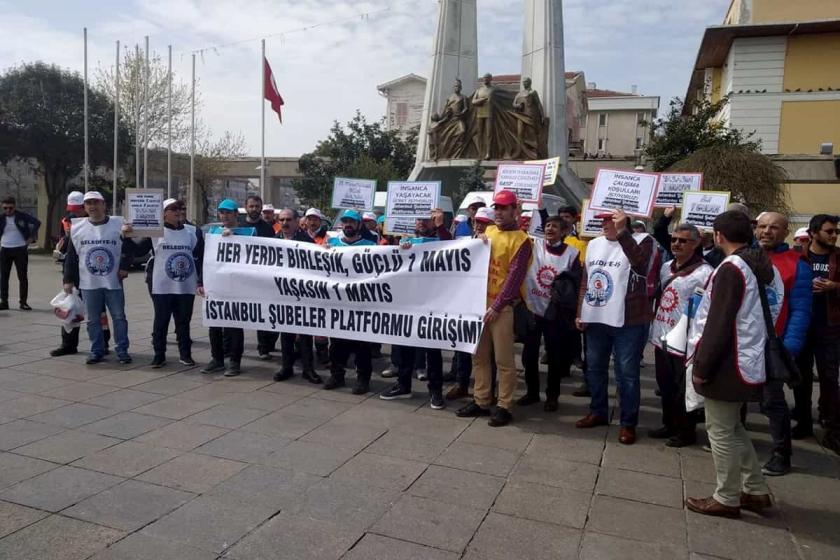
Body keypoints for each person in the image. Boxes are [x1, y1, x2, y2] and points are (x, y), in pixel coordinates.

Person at [685, 210, 778, 518]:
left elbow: (719, 322)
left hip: (729, 360)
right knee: (732, 426)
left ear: (719, 236)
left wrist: (702, 367)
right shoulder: (750, 263)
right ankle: (755, 489)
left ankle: (726, 496)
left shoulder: (731, 268)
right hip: (743, 357)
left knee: (720, 430)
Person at [575, 209, 654, 445]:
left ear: (624, 221)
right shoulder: (594, 244)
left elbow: (640, 263)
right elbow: (586, 280)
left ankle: (628, 423)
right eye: (603, 221)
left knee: (626, 373)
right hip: (597, 317)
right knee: (595, 368)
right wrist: (580, 311)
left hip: (628, 320)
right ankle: (598, 411)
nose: (605, 225)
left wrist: (622, 234)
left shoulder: (642, 241)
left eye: (610, 220)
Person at [456, 190, 532, 427]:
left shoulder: (522, 241)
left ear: (514, 211)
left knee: (504, 360)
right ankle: (481, 399)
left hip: (503, 308)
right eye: (496, 208)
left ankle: (504, 405)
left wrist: (497, 306)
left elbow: (514, 277)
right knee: (479, 356)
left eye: (504, 208)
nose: (498, 212)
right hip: (479, 304)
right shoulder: (488, 231)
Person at [755, 211, 812, 475]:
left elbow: (801, 310)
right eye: (762, 226)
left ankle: (781, 454)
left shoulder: (797, 264)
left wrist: (789, 347)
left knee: (772, 401)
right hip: (743, 341)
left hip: (774, 344)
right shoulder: (744, 257)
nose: (767, 231)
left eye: (774, 227)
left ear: (785, 232)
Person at [648, 223, 713, 447]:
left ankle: (686, 431)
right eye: (674, 239)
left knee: (681, 390)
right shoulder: (666, 267)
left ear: (695, 244)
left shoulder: (704, 273)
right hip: (662, 336)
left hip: (684, 341)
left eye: (683, 240)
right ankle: (669, 424)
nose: (676, 243)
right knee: (665, 386)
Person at [380, 211, 449, 409]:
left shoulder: (440, 240)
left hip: (432, 303)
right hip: (408, 302)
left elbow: (451, 247)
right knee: (404, 346)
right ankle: (403, 385)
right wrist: (400, 250)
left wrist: (441, 227)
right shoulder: (407, 241)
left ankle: (435, 391)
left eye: (425, 219)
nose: (421, 222)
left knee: (432, 350)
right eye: (418, 219)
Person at [126, 199, 203, 368]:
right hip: (162, 285)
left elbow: (201, 257)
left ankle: (185, 354)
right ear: (163, 213)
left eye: (180, 208)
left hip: (185, 285)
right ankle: (159, 355)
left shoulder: (192, 232)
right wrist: (126, 236)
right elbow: (137, 250)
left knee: (183, 321)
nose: (178, 212)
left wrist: (201, 280)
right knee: (161, 320)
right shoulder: (155, 232)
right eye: (172, 209)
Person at [519, 214, 581, 411]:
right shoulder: (534, 245)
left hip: (555, 313)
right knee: (529, 355)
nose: (549, 229)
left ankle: (552, 396)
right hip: (532, 309)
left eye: (555, 226)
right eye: (547, 225)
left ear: (564, 232)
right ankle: (532, 392)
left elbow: (575, 282)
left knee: (554, 357)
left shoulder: (572, 253)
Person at [62, 191, 131, 365]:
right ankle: (96, 350)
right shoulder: (77, 227)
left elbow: (129, 249)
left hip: (113, 281)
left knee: (119, 317)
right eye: (89, 203)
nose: (92, 206)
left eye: (96, 202)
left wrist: (124, 267)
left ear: (103, 204)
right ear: (84, 207)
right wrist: (68, 280)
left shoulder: (119, 224)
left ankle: (122, 350)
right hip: (89, 282)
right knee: (93, 319)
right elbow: (71, 256)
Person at [794, 214, 840, 455]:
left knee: (830, 379)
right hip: (802, 326)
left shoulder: (838, 257)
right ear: (813, 233)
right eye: (829, 231)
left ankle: (832, 428)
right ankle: (802, 422)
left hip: (830, 327)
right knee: (800, 378)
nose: (833, 236)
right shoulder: (798, 256)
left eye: (835, 232)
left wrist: (835, 287)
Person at [445, 206, 495, 401]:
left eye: (484, 223)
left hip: (487, 304)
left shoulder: (493, 243)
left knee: (487, 353)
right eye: (477, 222)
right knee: (463, 347)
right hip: (465, 303)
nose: (479, 226)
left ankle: (488, 391)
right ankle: (462, 384)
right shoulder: (465, 242)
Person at [324, 210, 376, 394]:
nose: (348, 225)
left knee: (362, 345)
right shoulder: (331, 244)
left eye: (351, 222)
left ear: (359, 225)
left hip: (360, 303)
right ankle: (337, 375)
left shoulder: (370, 245)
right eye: (345, 221)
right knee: (337, 343)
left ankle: (363, 379)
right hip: (338, 302)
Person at [201, 199, 255, 377]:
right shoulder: (213, 232)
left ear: (235, 215)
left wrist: (234, 236)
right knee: (214, 324)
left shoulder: (249, 232)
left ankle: (234, 361)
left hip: (236, 286)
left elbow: (254, 255)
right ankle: (217, 359)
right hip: (216, 284)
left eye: (228, 212)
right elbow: (206, 259)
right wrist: (202, 282)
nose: (224, 215)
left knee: (234, 325)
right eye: (221, 212)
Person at [272, 208, 322, 384]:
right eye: (282, 220)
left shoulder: (306, 241)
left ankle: (308, 369)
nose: (285, 223)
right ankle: (286, 367)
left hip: (302, 294)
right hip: (282, 293)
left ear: (296, 221)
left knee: (305, 333)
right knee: (285, 332)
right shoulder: (272, 240)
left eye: (288, 220)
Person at [244, 195, 280, 359]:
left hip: (263, 276)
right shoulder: (239, 226)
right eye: (251, 206)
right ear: (246, 207)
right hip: (243, 276)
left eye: (257, 206)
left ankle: (265, 347)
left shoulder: (267, 228)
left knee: (265, 311)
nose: (254, 209)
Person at [1, 195, 40, 311]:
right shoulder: (1, 218)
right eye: (5, 208)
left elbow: (37, 223)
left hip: (20, 249)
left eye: (10, 208)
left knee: (22, 277)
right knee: (3, 277)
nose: (8, 210)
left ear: (14, 207)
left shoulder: (22, 216)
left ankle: (23, 302)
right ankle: (4, 302)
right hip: (5, 249)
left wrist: (31, 238)